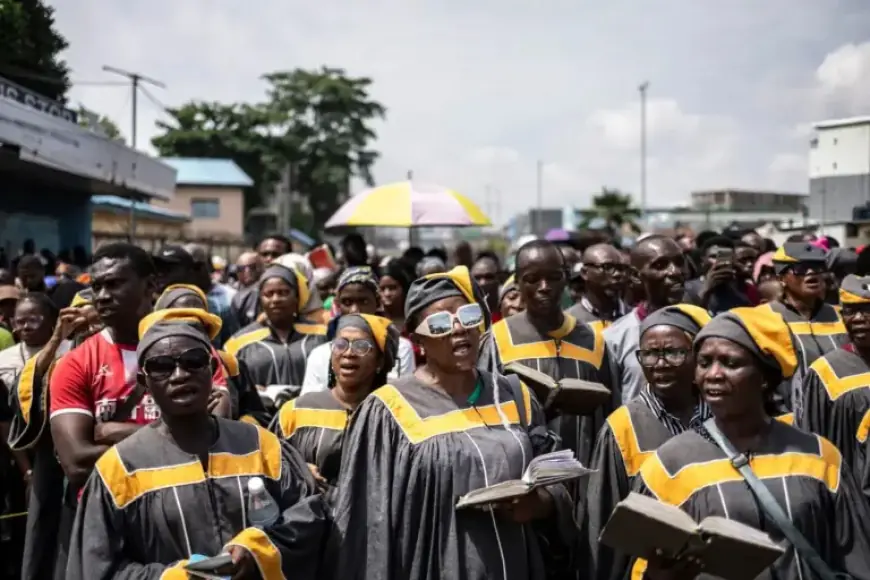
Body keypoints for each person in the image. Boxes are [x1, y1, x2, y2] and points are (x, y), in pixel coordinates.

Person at [331, 266, 577, 580]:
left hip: (514, 563)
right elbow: (368, 525)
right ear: (418, 340)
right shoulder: (389, 410)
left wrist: (542, 503)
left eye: (469, 316)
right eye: (441, 322)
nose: (459, 329)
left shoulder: (515, 395)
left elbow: (555, 478)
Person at [66, 319, 329, 580]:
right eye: (161, 367)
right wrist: (176, 577)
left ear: (212, 368)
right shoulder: (120, 468)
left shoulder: (261, 446)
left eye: (193, 361)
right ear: (144, 381)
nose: (179, 375)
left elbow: (310, 515)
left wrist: (256, 551)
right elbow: (96, 568)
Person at [630, 307, 870, 579]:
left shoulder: (818, 457)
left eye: (731, 364)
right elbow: (642, 568)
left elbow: (858, 559)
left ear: (765, 378)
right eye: (704, 362)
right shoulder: (669, 465)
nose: (714, 374)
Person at [584, 305, 711, 580]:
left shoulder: (720, 419)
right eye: (650, 354)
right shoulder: (623, 428)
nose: (661, 364)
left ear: (697, 355)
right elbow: (604, 528)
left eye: (674, 352)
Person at [481, 240, 617, 476]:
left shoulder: (593, 340)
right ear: (518, 283)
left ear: (565, 278)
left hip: (583, 474)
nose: (544, 287)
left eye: (553, 277)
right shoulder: (498, 339)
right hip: (520, 476)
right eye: (532, 279)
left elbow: (610, 414)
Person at [274, 314, 398, 486]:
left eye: (361, 346)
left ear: (380, 361)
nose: (349, 353)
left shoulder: (395, 415)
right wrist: (297, 470)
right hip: (310, 511)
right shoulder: (296, 411)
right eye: (341, 344)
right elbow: (269, 463)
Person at [799, 274, 870, 485]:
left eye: (867, 310)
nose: (858, 318)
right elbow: (813, 445)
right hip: (853, 494)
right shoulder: (827, 372)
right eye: (849, 311)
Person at [300, 267, 414, 394]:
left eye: (363, 301)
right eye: (347, 302)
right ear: (338, 305)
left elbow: (403, 399)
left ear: (377, 303)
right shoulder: (319, 355)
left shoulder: (400, 349)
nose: (355, 310)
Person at [604, 235, 687, 403]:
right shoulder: (615, 337)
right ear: (635, 275)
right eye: (660, 265)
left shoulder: (704, 327)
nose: (675, 272)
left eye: (679, 262)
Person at [226, 265, 326, 393]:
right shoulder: (238, 344)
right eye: (269, 294)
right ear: (260, 299)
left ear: (297, 296)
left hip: (310, 410)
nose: (276, 299)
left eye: (283, 292)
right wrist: (251, 390)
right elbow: (229, 387)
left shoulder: (321, 335)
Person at [765, 242, 848, 373]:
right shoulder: (764, 318)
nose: (811, 273)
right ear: (781, 278)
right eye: (801, 268)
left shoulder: (841, 315)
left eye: (817, 267)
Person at [231, 235, 293, 327]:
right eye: (264, 254)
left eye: (275, 254)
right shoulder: (241, 299)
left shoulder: (301, 291)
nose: (269, 259)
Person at [567, 244, 628, 327]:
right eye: (607, 267)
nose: (617, 274)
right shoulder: (568, 321)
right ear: (585, 273)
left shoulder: (635, 318)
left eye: (621, 268)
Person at [471, 252, 502, 321]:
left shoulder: (509, 312)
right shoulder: (467, 316)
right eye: (477, 278)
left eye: (489, 277)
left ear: (499, 279)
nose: (483, 283)